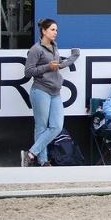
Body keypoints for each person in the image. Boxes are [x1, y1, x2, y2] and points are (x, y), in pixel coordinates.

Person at [22, 18, 80, 166]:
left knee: (56, 126)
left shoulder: (54, 46)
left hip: (55, 91)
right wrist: (47, 67)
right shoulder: (36, 49)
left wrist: (73, 57)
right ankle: (42, 161)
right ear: (44, 31)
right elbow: (28, 72)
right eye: (53, 29)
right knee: (41, 126)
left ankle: (31, 153)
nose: (55, 33)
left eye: (56, 30)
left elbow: (58, 65)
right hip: (40, 90)